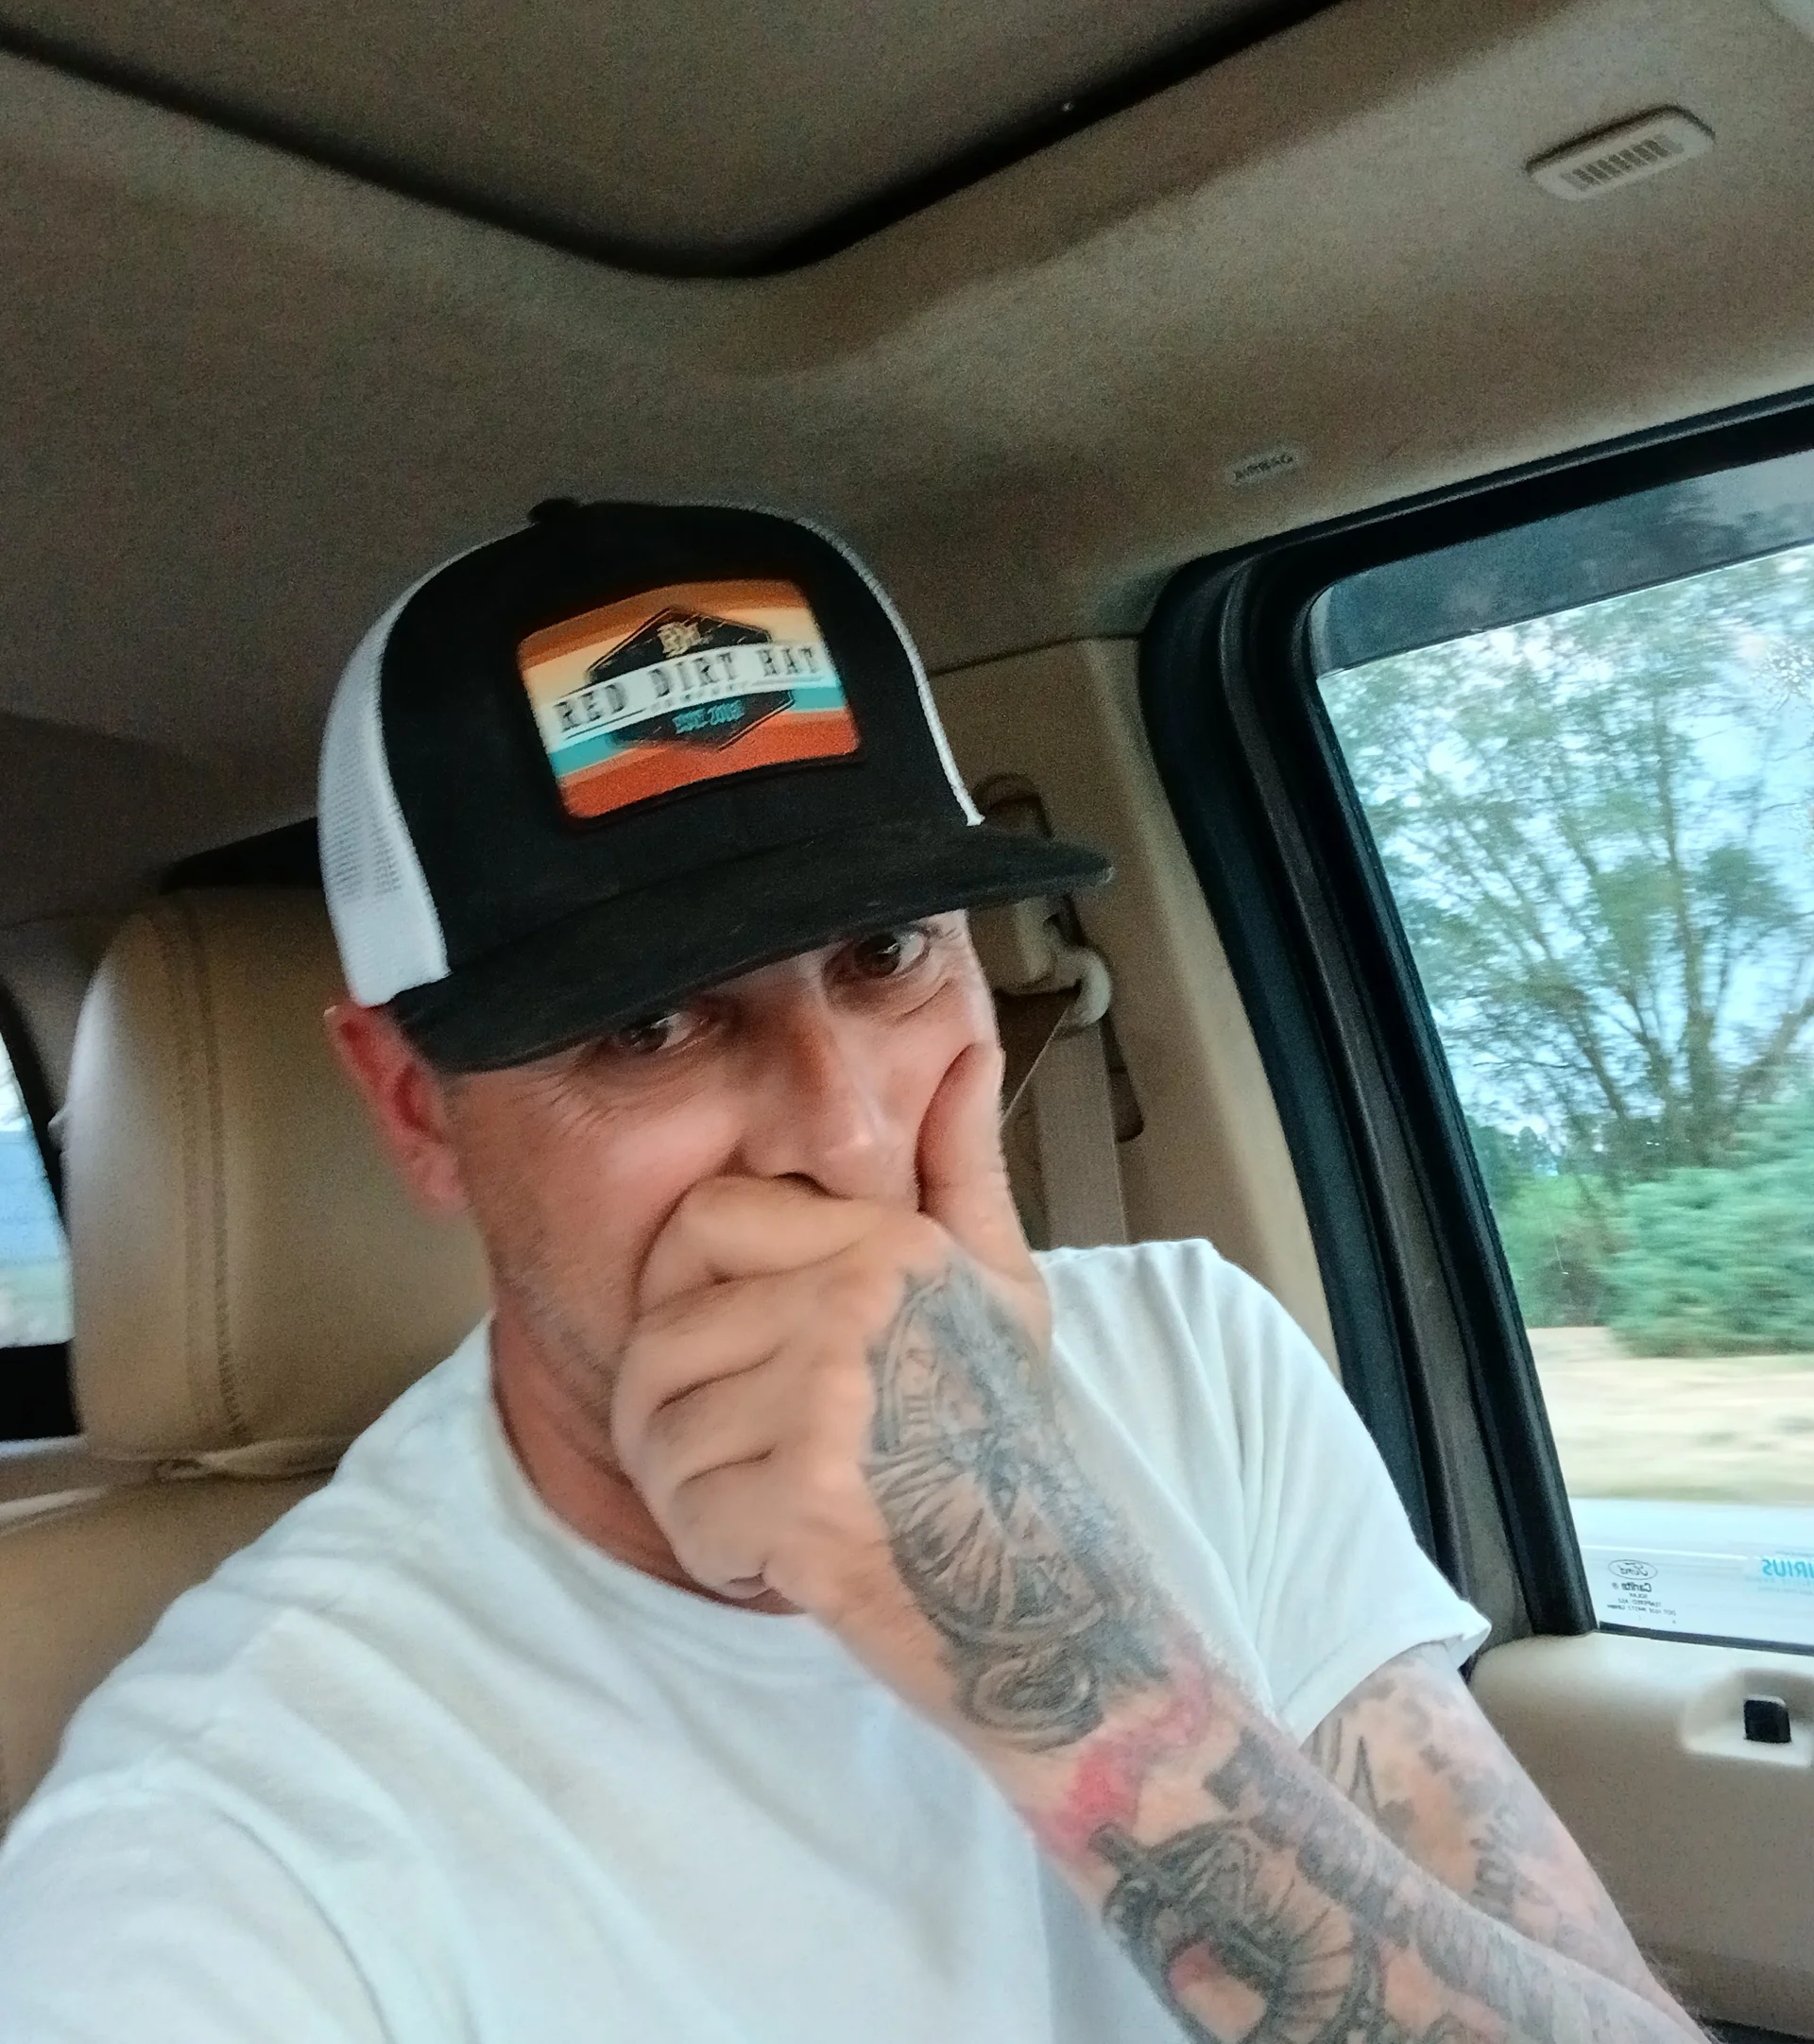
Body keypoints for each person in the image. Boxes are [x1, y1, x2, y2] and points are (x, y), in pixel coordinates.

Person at [0, 501, 1697, 2044]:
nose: (852, 1134)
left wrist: (1043, 1617)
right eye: (650, 1024)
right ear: (411, 1106)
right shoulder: (228, 1839)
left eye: (887, 955)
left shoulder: (1193, 1362)